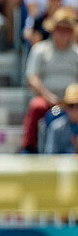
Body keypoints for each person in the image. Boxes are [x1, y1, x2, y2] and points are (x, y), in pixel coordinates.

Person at [22, 8, 78, 153]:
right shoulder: (40, 50)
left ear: (72, 32)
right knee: (36, 106)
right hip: (46, 98)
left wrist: (72, 98)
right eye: (59, 29)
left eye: (66, 30)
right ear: (52, 30)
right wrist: (49, 96)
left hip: (73, 100)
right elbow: (32, 78)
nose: (62, 33)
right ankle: (30, 147)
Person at [45, 83, 78, 153]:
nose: (75, 110)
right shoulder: (56, 128)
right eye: (71, 106)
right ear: (65, 107)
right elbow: (50, 156)